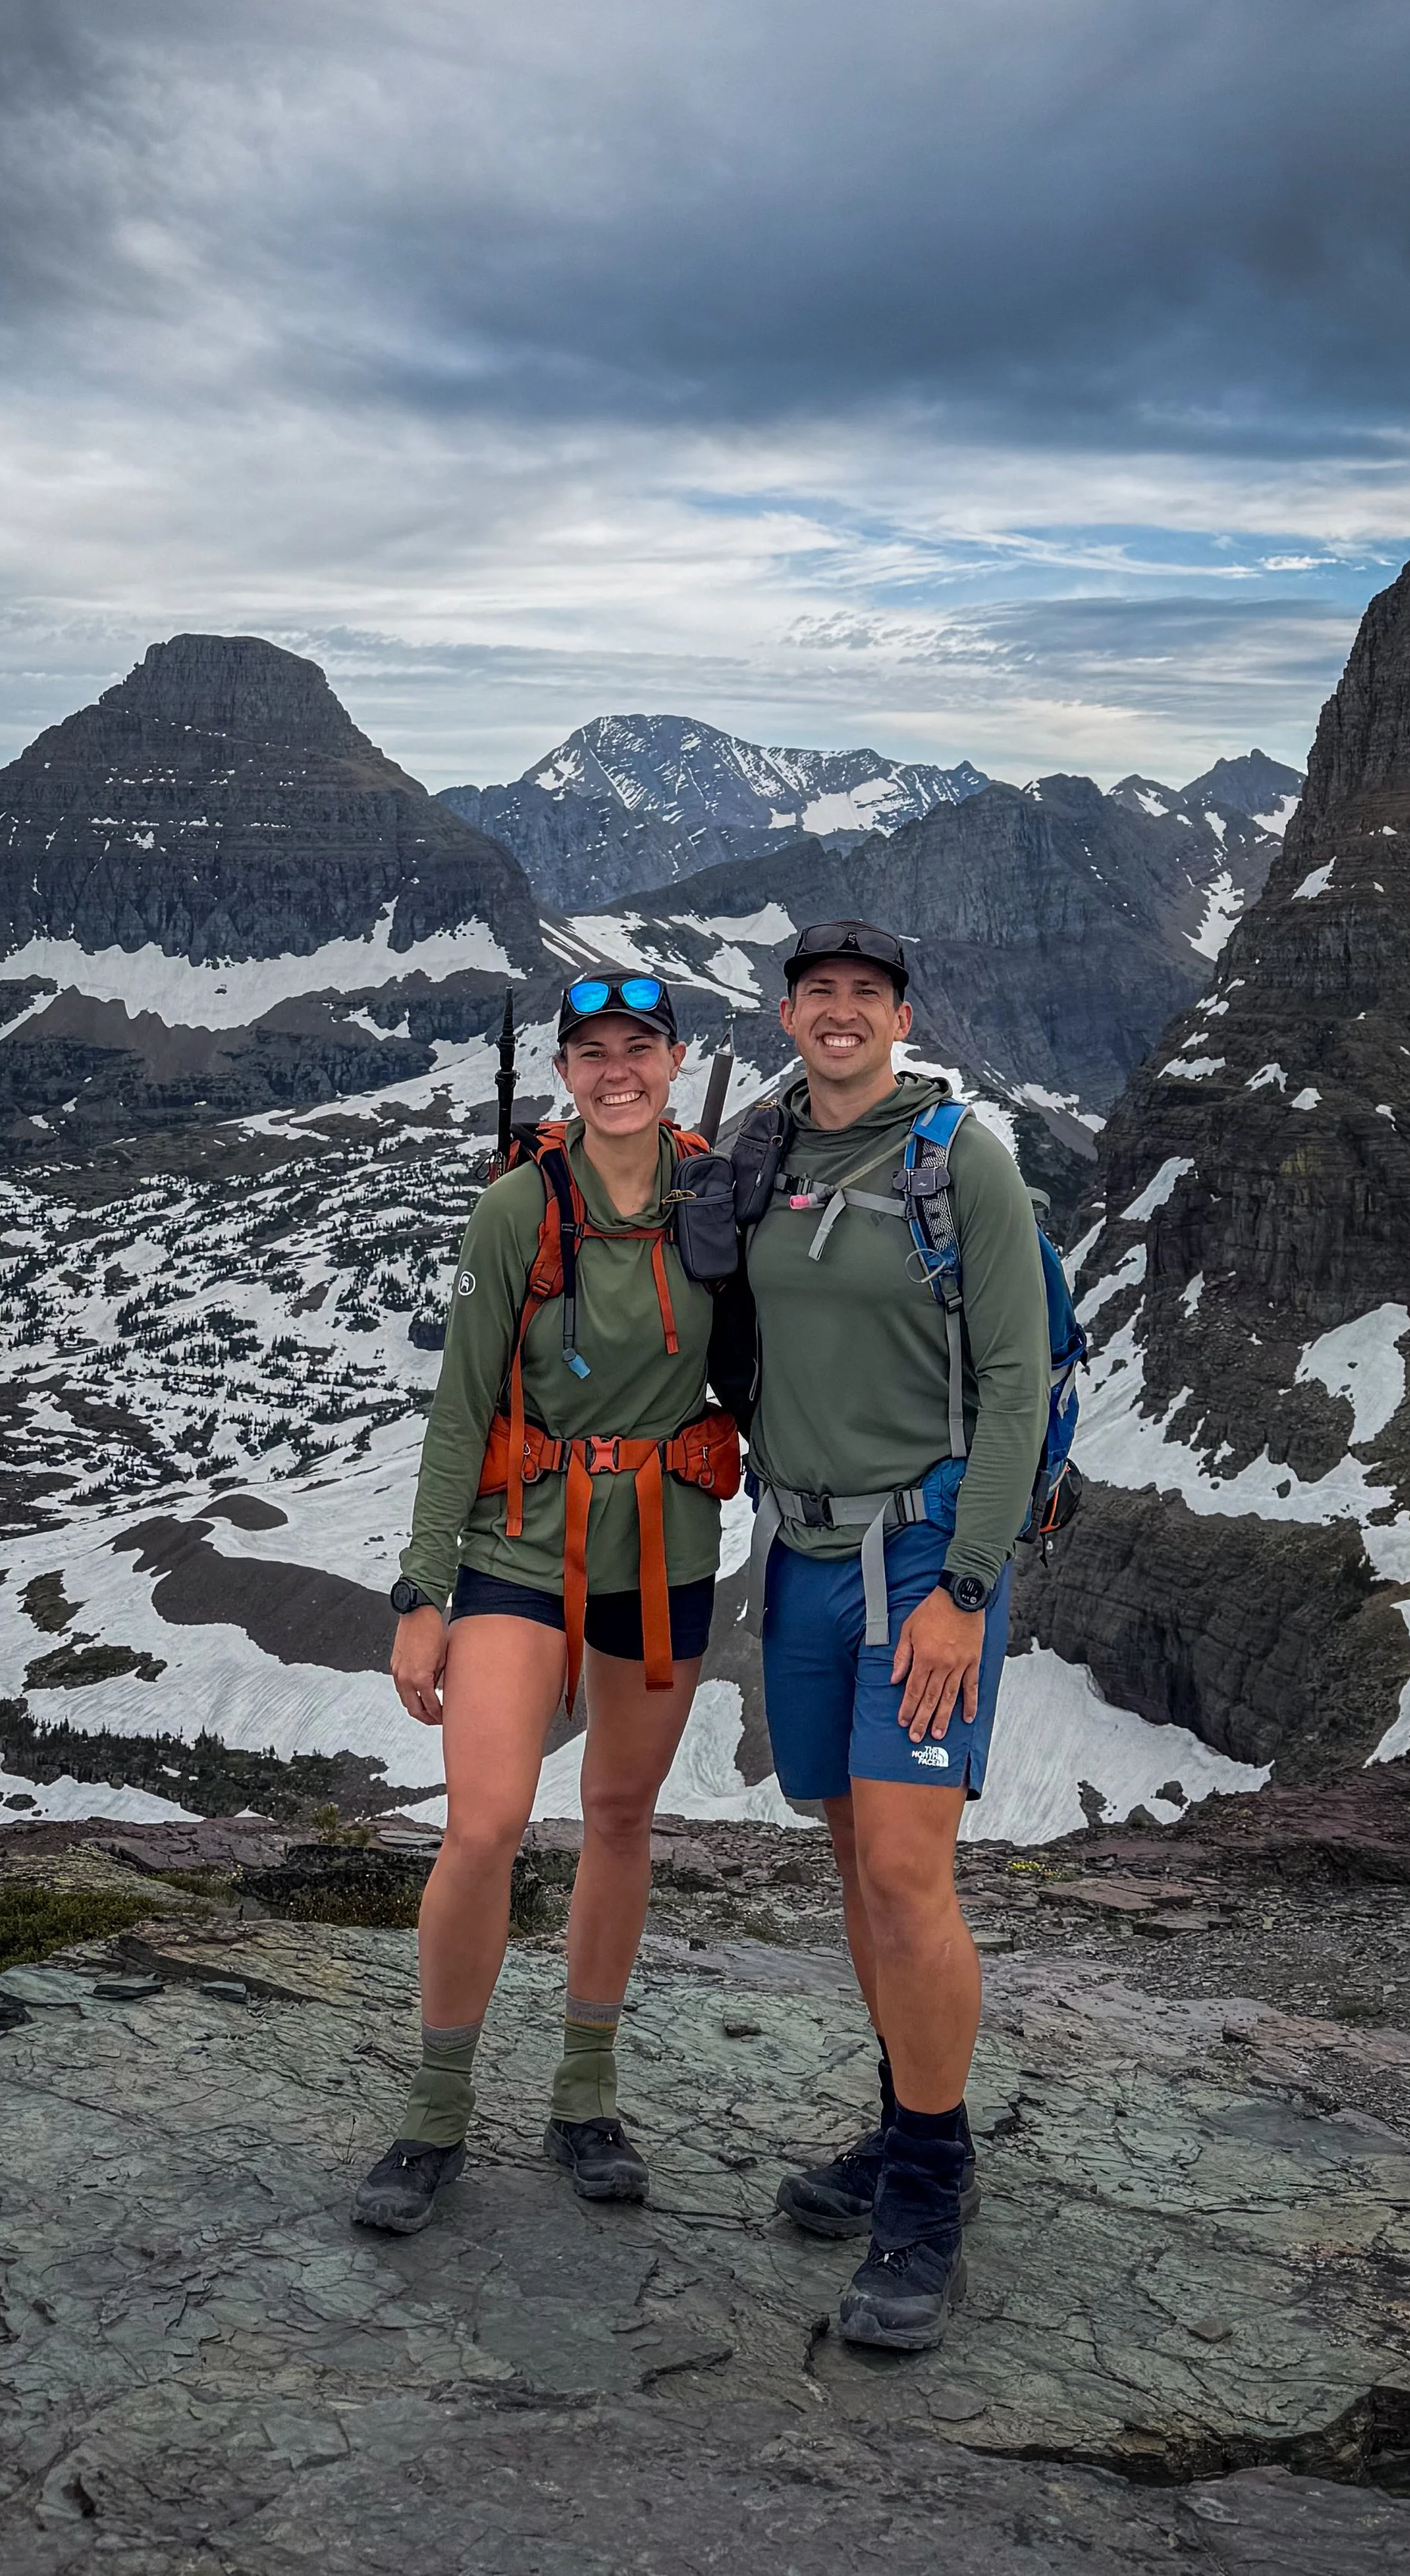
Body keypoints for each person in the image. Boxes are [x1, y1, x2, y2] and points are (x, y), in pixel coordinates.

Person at [352, 974, 738, 2236]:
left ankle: (584, 2095)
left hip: (666, 1546)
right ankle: (435, 2108)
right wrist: (422, 1593)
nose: (616, 1069)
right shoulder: (517, 1208)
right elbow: (461, 1408)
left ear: (674, 1059)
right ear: (565, 1072)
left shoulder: (717, 1199)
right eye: (592, 1052)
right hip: (519, 1545)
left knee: (620, 1814)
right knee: (486, 1821)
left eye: (639, 1047)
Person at [740, 919, 1048, 2351]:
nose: (843, 1013)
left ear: (902, 1015)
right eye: (820, 994)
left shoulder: (960, 1161)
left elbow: (1015, 1381)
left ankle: (929, 2179)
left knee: (910, 1864)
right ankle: (902, 2112)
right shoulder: (762, 1154)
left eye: (868, 994)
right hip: (801, 1546)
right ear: (790, 1015)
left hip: (923, 1548)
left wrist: (964, 1586)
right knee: (849, 1845)